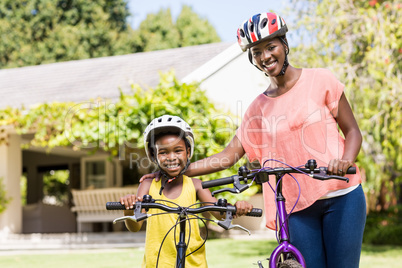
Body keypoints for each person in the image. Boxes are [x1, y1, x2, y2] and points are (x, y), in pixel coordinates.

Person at [140, 12, 367, 268]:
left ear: (285, 45)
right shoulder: (257, 109)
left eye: (271, 47)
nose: (265, 56)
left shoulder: (321, 80)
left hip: (342, 194)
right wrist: (172, 170)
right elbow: (227, 156)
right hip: (295, 206)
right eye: (257, 52)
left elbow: (352, 132)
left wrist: (345, 160)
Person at [120, 115, 253, 268]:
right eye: (163, 152)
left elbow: (219, 213)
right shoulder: (148, 185)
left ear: (188, 152)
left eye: (178, 151)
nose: (171, 157)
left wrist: (237, 207)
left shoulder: (196, 185)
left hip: (193, 263)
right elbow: (135, 226)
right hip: (157, 264)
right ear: (153, 155)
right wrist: (128, 210)